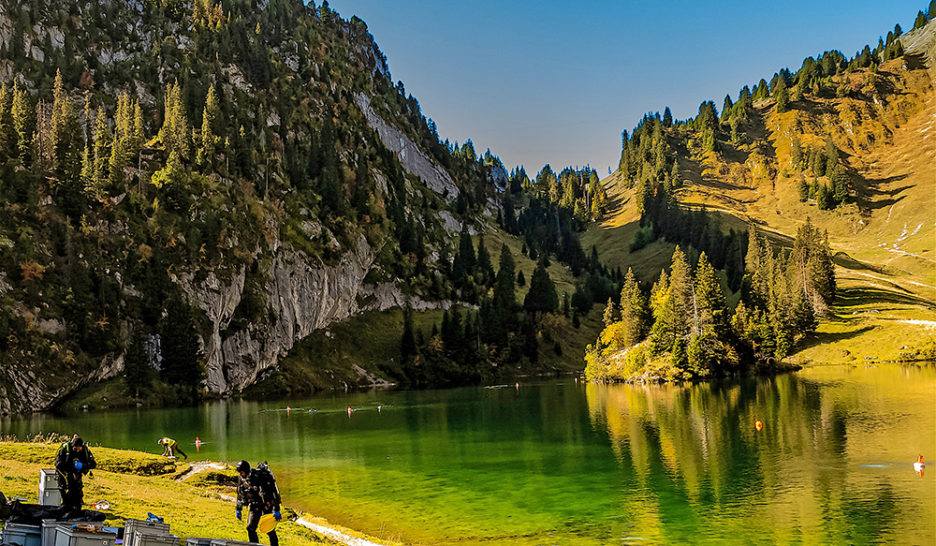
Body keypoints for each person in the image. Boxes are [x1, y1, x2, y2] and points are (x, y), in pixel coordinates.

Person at [235, 460, 282, 546]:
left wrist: (276, 508)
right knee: (250, 528)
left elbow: (273, 491)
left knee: (269, 529)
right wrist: (238, 508)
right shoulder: (242, 479)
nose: (240, 474)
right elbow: (240, 493)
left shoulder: (260, 476)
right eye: (239, 473)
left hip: (266, 505)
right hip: (254, 505)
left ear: (246, 470)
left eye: (241, 472)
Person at [54, 435, 96, 512]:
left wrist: (82, 465)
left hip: (77, 475)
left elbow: (93, 464)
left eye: (79, 449)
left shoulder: (85, 451)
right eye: (75, 449)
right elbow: (58, 464)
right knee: (66, 493)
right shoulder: (65, 450)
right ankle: (66, 509)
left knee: (77, 494)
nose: (77, 451)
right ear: (72, 446)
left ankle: (77, 510)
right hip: (64, 475)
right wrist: (71, 468)